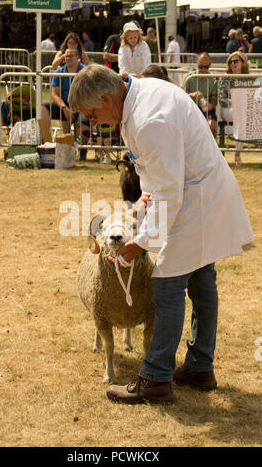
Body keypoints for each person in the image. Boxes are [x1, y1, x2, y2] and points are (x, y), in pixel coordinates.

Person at [68, 64, 254, 404]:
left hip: (195, 197)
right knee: (201, 278)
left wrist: (141, 243)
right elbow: (156, 169)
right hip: (196, 190)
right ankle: (200, 366)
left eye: (91, 115)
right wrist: (144, 198)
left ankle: (155, 377)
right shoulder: (137, 101)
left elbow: (170, 190)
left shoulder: (148, 117)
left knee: (167, 283)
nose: (93, 124)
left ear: (106, 98)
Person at [41, 48, 88, 159]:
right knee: (42, 108)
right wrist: (64, 108)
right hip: (63, 105)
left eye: (71, 56)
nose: (68, 58)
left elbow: (88, 93)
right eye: (66, 56)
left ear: (78, 58)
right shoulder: (58, 72)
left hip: (81, 106)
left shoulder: (86, 72)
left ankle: (81, 150)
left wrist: (77, 108)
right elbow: (54, 94)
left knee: (85, 124)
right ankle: (48, 146)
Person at [218, 51, 250, 165]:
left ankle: (238, 153)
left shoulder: (248, 78)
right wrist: (234, 101)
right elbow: (221, 99)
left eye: (235, 61)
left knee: (242, 115)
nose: (233, 63)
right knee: (240, 113)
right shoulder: (225, 78)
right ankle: (237, 154)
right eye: (230, 61)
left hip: (244, 111)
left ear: (242, 63)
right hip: (228, 110)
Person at [182, 52, 218, 139]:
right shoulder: (189, 77)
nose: (203, 69)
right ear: (197, 64)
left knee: (212, 126)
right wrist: (192, 94)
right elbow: (181, 95)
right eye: (200, 66)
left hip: (207, 109)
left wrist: (208, 106)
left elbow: (214, 102)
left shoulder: (214, 79)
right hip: (191, 108)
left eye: (206, 67)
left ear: (210, 65)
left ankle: (213, 149)